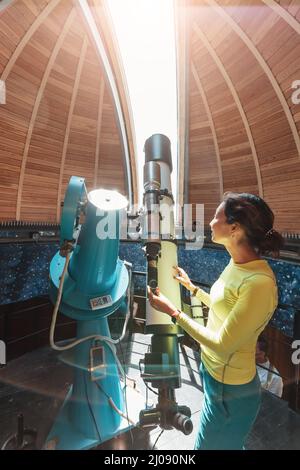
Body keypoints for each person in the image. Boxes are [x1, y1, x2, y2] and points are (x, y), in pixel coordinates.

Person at [147, 192, 284, 450]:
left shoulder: (259, 284)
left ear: (234, 228)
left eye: (215, 216)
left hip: (230, 394)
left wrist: (173, 312)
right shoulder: (238, 264)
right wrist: (193, 289)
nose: (209, 222)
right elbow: (226, 308)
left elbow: (222, 344)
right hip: (214, 379)